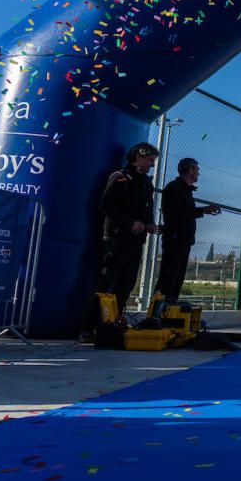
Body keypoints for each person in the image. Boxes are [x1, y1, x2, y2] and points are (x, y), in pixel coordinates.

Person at [80, 143, 161, 340]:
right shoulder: (121, 177)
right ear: (139, 156)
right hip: (117, 238)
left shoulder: (146, 183)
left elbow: (146, 209)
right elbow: (105, 205)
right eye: (150, 159)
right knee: (106, 282)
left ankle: (115, 324)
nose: (152, 164)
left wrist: (149, 224)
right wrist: (130, 223)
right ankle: (88, 328)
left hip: (136, 241)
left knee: (126, 284)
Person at [154, 158, 220, 303]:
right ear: (190, 170)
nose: (198, 173)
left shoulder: (185, 190)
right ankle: (156, 313)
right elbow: (177, 215)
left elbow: (185, 212)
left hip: (183, 241)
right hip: (174, 240)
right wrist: (202, 210)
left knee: (177, 279)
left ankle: (168, 311)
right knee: (168, 278)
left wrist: (202, 211)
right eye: (197, 170)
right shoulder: (174, 188)